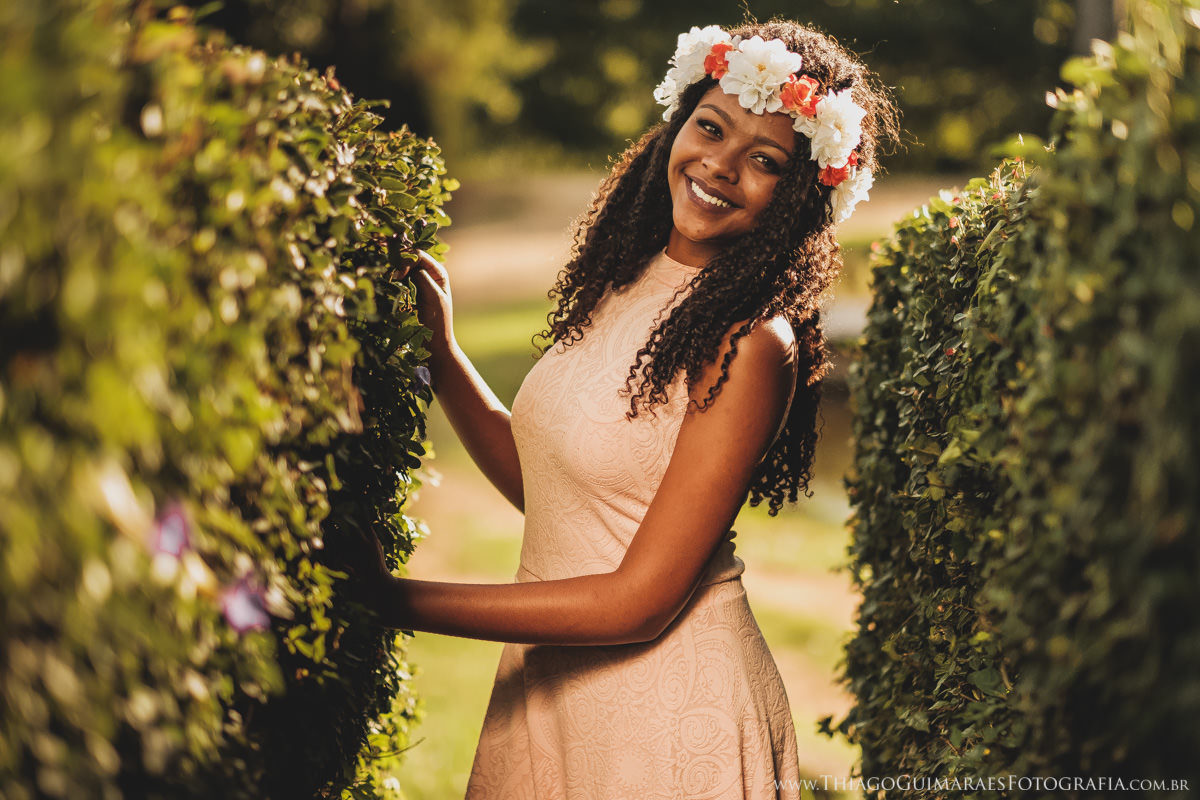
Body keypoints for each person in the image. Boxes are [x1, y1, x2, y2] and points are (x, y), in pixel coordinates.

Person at [354, 18, 896, 799]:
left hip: (670, 723)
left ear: (799, 197)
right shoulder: (627, 279)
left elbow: (639, 604)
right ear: (678, 124)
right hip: (553, 689)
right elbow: (555, 486)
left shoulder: (750, 342)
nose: (719, 164)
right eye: (710, 127)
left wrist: (389, 599)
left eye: (765, 160)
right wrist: (442, 357)